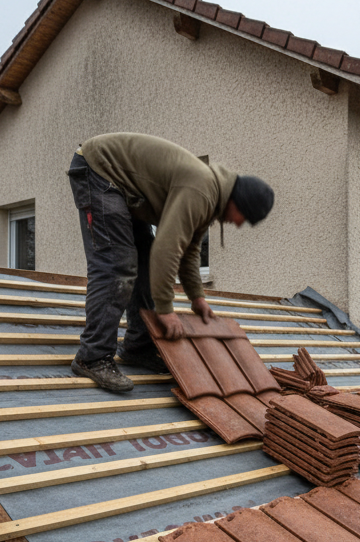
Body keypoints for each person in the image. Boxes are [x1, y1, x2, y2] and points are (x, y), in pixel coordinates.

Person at [66, 133, 275, 393]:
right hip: (101, 171)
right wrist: (165, 309)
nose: (240, 223)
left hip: (126, 190)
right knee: (116, 265)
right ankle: (92, 356)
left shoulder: (210, 198)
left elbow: (188, 251)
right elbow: (167, 249)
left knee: (143, 264)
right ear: (238, 202)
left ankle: (138, 347)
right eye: (245, 217)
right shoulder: (201, 190)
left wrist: (197, 298)